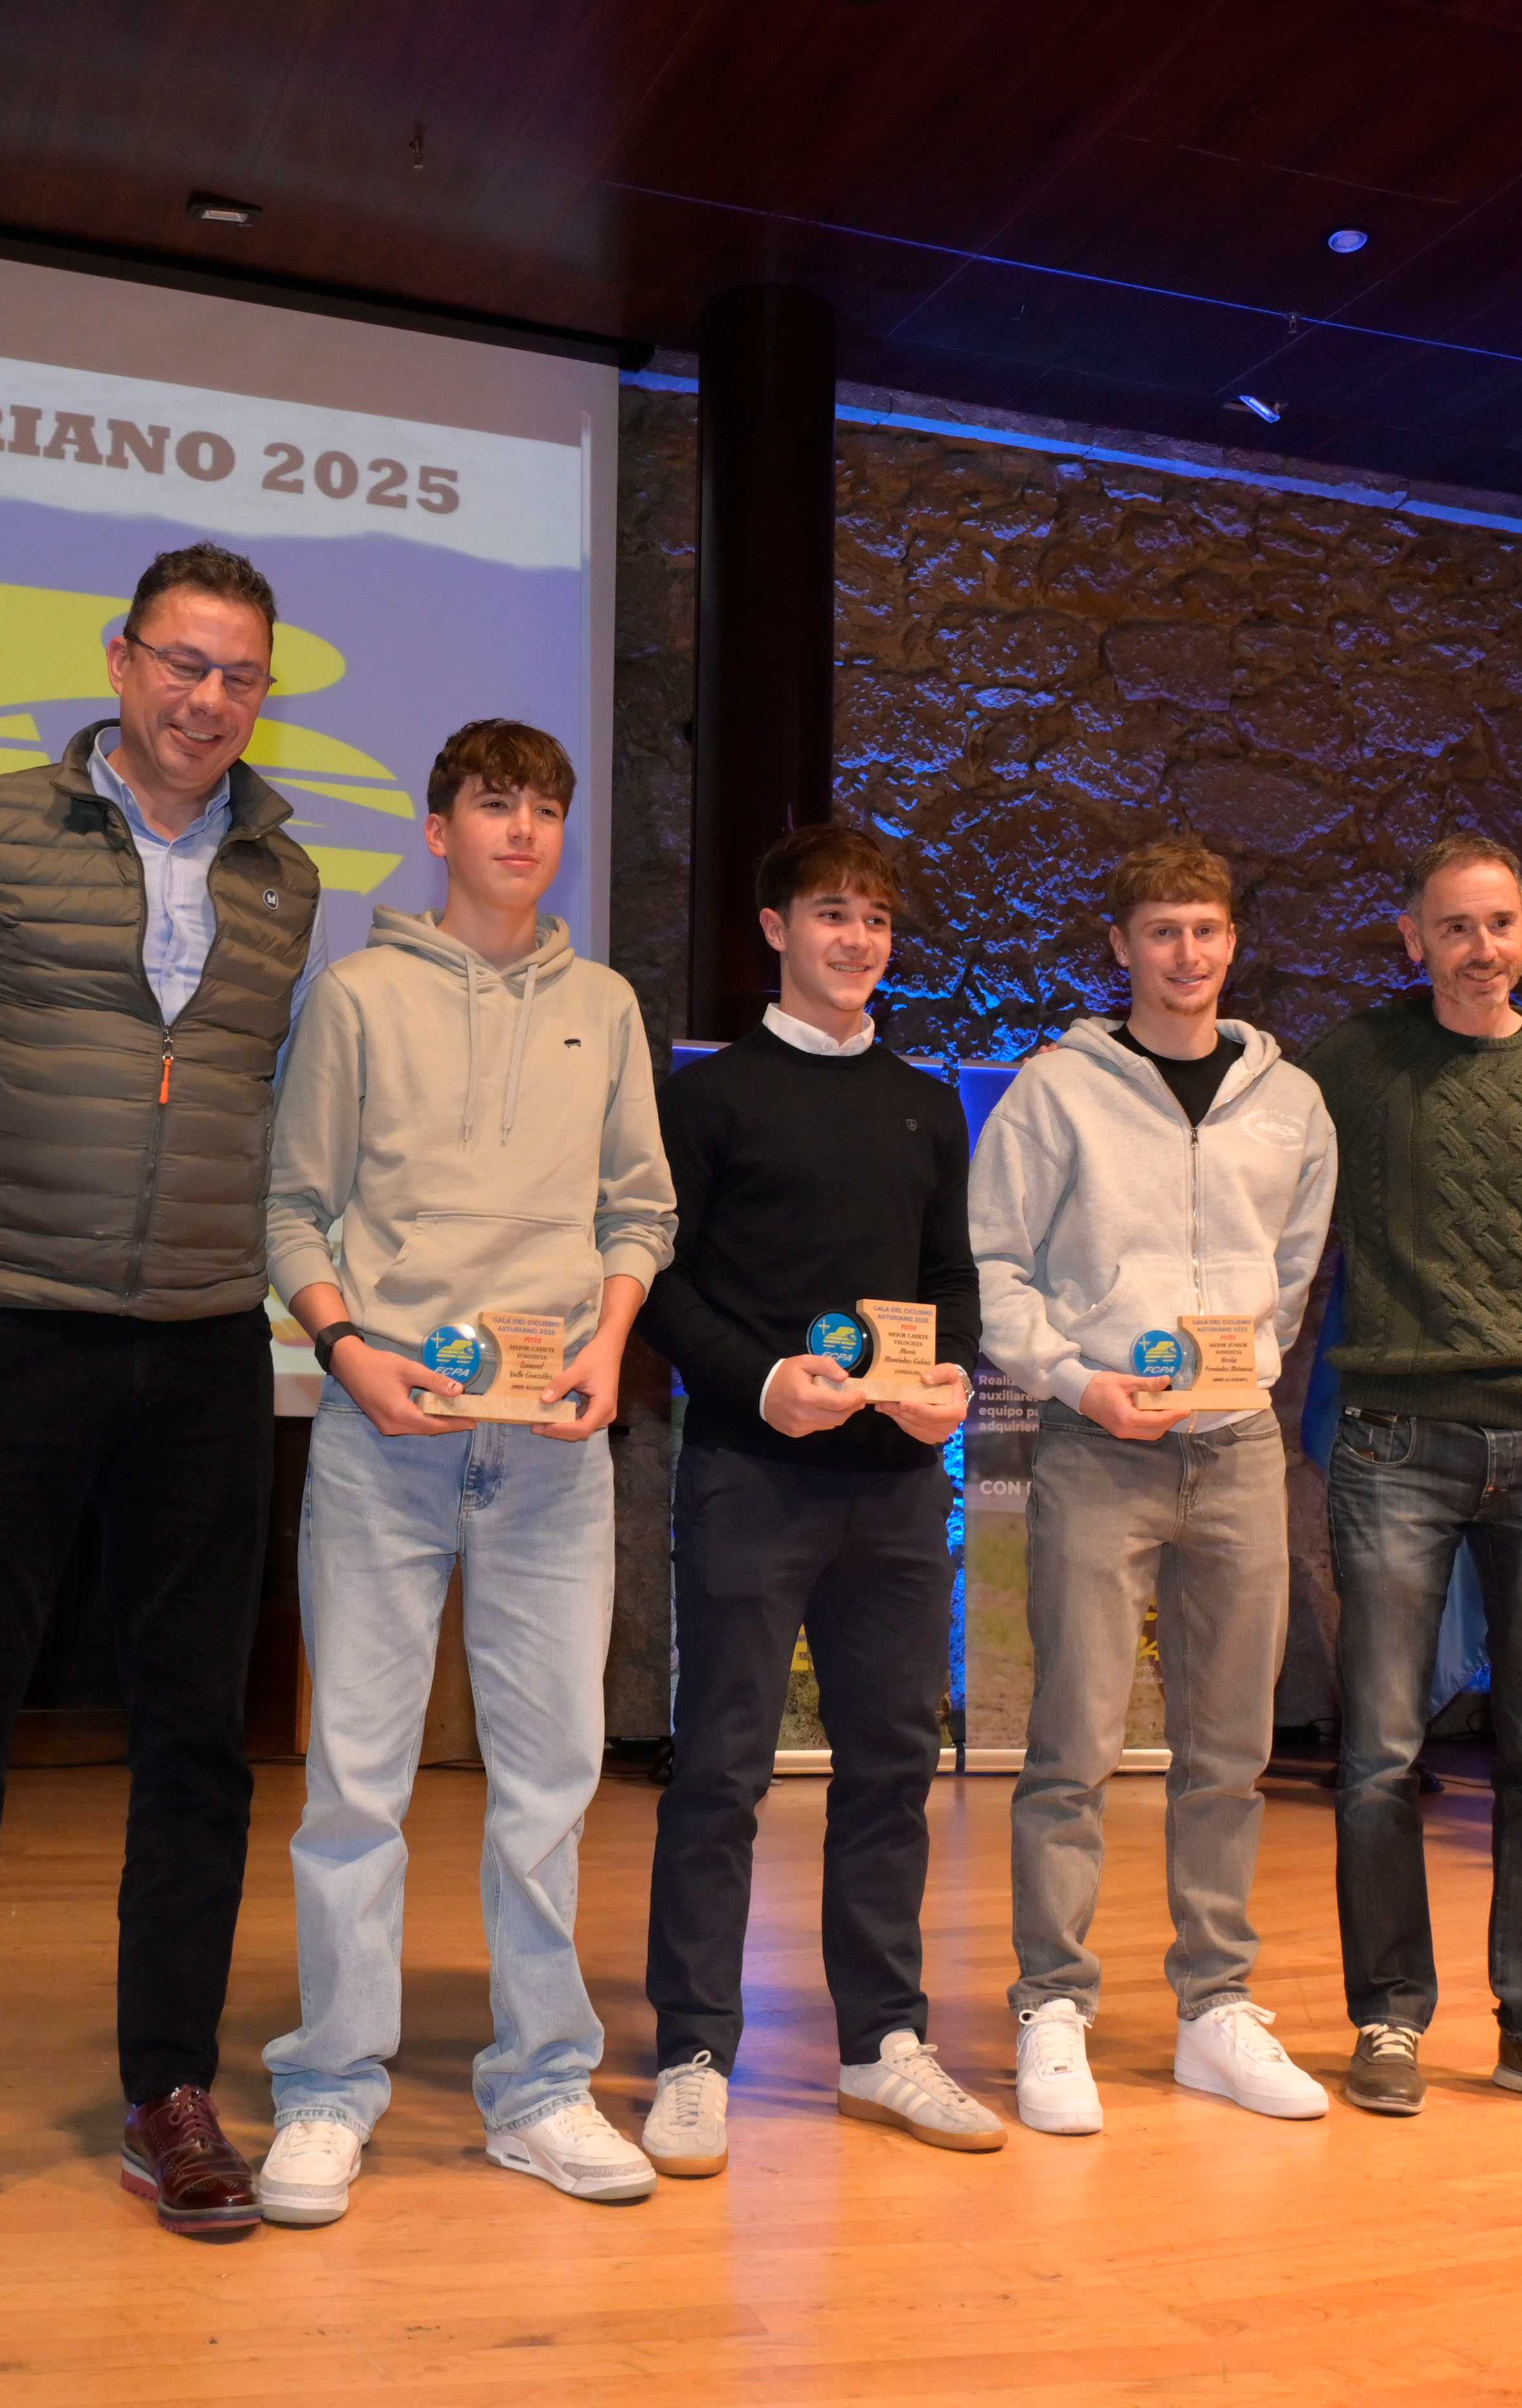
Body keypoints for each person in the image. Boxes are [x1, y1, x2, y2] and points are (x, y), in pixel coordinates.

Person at [0, 541, 318, 2260]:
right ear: (117, 661)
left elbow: (278, 1114)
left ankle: (170, 2090)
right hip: (3, 1339)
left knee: (196, 1739)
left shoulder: (286, 879)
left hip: (202, 1350)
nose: (206, 698)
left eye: (238, 674)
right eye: (180, 662)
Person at [254, 717, 676, 2225]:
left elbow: (639, 1210)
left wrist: (610, 1341)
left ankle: (542, 2085)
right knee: (355, 1778)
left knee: (550, 1777)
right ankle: (328, 2085)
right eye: (495, 805)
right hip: (384, 1437)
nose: (523, 830)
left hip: (552, 1443)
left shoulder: (606, 1007)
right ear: (438, 830)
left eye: (545, 808)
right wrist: (344, 1349)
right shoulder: (358, 995)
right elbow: (291, 1207)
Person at [632, 822, 997, 2178]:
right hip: (749, 1474)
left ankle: (882, 2042)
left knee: (893, 1766)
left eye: (877, 919)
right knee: (720, 1770)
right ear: (775, 928)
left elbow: (949, 1278)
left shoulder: (923, 1102)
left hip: (895, 1489)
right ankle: (692, 2053)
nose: (857, 939)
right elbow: (661, 1282)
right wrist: (759, 1380)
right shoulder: (711, 1096)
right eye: (832, 913)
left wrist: (951, 1378)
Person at [970, 834, 1338, 2136]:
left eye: (1208, 929)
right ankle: (1052, 2006)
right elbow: (998, 1266)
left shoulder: (1291, 1102)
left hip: (1239, 1451)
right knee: (1070, 1746)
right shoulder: (1055, 1090)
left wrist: (1239, 1373)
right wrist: (1080, 1384)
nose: (1188, 953)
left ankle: (1214, 2010)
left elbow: (1290, 1271)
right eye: (1163, 930)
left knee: (1230, 1752)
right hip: (1097, 1450)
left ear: (1234, 942)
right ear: (1119, 945)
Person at [1301, 830, 1522, 2125]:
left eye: (1499, 923)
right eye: (1453, 926)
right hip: (1393, 1448)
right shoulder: (1348, 1065)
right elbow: (1238, 1146)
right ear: (1412, 937)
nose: (1480, 947)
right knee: (1377, 1762)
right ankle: (1389, 2018)